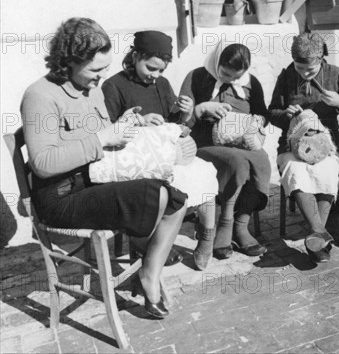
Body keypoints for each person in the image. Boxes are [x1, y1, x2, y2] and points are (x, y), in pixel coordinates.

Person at [21, 18, 187, 318]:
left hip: (94, 177)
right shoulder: (40, 95)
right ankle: (148, 268)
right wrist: (102, 138)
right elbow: (43, 164)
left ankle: (148, 270)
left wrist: (127, 124)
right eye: (95, 70)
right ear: (68, 62)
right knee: (158, 195)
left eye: (105, 69)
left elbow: (103, 133)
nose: (101, 78)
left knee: (176, 198)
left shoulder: (91, 89)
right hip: (61, 196)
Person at [102, 30, 219, 271]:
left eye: (161, 70)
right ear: (135, 56)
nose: (155, 75)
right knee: (175, 179)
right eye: (151, 68)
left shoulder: (162, 84)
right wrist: (138, 120)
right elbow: (109, 132)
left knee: (204, 170)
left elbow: (173, 124)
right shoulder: (113, 86)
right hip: (136, 159)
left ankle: (207, 237)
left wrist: (184, 112)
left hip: (166, 152)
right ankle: (154, 244)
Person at [268, 32, 339, 263]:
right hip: (292, 139)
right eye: (300, 68)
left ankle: (316, 233)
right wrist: (286, 114)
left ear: (322, 59)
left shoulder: (337, 75)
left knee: (327, 170)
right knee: (295, 169)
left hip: (327, 141)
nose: (305, 74)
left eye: (311, 69)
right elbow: (272, 113)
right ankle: (319, 231)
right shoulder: (287, 75)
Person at [179, 42, 271, 259]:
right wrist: (201, 109)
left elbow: (263, 114)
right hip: (205, 143)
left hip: (242, 142)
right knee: (237, 162)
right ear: (216, 61)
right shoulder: (197, 77)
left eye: (236, 76)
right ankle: (225, 225)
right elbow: (180, 123)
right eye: (225, 73)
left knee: (262, 162)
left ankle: (241, 225)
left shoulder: (251, 83)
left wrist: (255, 121)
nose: (230, 80)